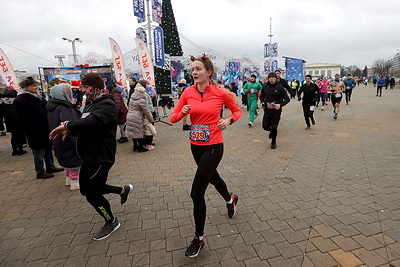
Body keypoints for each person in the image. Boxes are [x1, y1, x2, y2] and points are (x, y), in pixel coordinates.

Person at [170, 54, 242, 258]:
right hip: (196, 146)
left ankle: (198, 238)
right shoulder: (187, 92)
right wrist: (183, 112)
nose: (194, 72)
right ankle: (230, 199)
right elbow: (173, 118)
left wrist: (228, 121)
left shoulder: (220, 94)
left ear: (208, 73)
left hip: (214, 146)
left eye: (198, 69)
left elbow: (237, 112)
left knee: (196, 193)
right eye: (192, 69)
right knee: (213, 178)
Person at [49, 73, 133, 241]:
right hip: (88, 156)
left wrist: (67, 125)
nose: (83, 90)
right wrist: (70, 130)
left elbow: (92, 122)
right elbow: (85, 124)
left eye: (86, 87)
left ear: (96, 88)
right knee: (88, 188)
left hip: (101, 157)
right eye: (82, 87)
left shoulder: (107, 104)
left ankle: (111, 221)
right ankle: (122, 190)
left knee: (91, 192)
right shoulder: (90, 103)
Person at [14, 76, 63, 179]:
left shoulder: (37, 96)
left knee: (48, 149)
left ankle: (50, 166)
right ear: (26, 88)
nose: (36, 87)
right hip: (34, 131)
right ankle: (40, 171)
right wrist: (30, 131)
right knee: (38, 151)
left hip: (44, 128)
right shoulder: (20, 100)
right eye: (33, 85)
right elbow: (21, 119)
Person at [47, 83, 82, 190]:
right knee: (73, 160)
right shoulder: (65, 108)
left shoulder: (51, 106)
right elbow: (72, 126)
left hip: (57, 138)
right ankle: (75, 182)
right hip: (67, 138)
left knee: (65, 159)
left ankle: (68, 179)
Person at [260, 72, 290, 149]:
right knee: (265, 126)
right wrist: (262, 102)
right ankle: (271, 131)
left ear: (276, 78)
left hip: (276, 110)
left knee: (274, 127)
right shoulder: (265, 86)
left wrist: (280, 105)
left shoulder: (280, 87)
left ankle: (273, 142)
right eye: (270, 77)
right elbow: (262, 96)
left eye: (273, 77)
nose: (271, 79)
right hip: (267, 109)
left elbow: (287, 99)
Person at [125, 82, 154, 152]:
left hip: (129, 115)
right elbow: (146, 111)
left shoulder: (132, 97)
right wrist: (151, 120)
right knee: (139, 132)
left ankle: (135, 146)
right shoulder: (142, 100)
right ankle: (140, 147)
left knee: (132, 131)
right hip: (137, 117)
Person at [1, 88, 27, 155]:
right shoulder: (16, 102)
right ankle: (20, 149)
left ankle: (14, 150)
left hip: (9, 122)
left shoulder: (3, 103)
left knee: (14, 136)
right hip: (17, 122)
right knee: (19, 135)